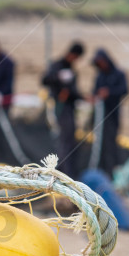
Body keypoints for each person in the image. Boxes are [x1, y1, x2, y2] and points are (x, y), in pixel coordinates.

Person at [41, 41, 85, 178]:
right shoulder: (56, 66)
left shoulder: (72, 70)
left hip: (70, 109)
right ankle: (63, 173)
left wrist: (83, 97)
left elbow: (73, 92)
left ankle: (65, 171)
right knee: (65, 140)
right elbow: (44, 80)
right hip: (60, 109)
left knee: (70, 140)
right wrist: (58, 77)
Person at [91, 48, 129, 177]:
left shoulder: (119, 74)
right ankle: (101, 170)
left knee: (111, 143)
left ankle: (111, 171)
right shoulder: (100, 76)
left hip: (113, 115)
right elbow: (94, 92)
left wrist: (109, 93)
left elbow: (124, 90)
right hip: (99, 117)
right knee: (100, 143)